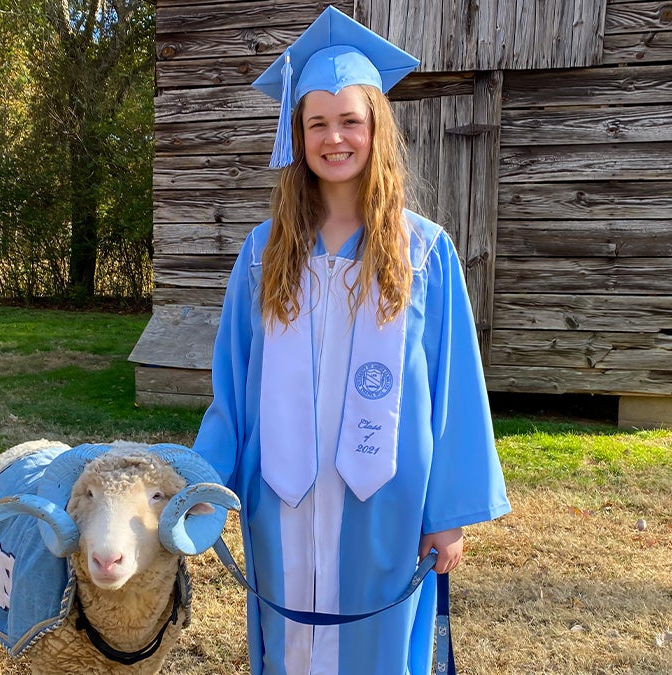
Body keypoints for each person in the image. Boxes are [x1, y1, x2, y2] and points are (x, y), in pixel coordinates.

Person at [192, 7, 511, 674]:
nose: (333, 138)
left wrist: (447, 513)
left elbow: (453, 388)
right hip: (280, 501)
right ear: (296, 135)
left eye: (349, 121)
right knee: (288, 646)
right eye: (316, 123)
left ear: (375, 129)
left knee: (380, 651)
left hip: (386, 503)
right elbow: (233, 387)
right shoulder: (263, 254)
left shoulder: (424, 252)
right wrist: (203, 485)